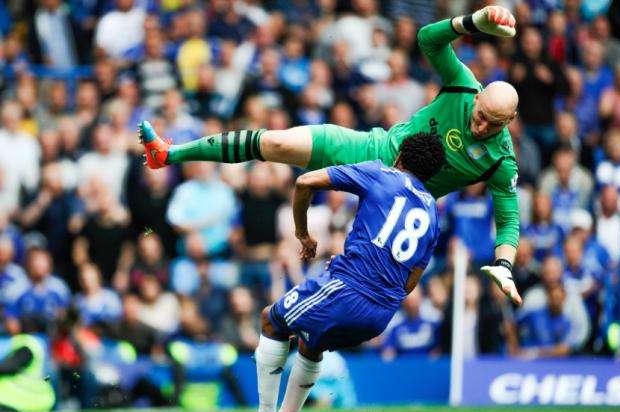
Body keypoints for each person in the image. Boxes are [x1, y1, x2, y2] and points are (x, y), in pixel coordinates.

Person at [139, 5, 523, 304]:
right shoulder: (463, 86)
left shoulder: (501, 161)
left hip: (399, 205)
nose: (479, 127)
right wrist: (472, 21)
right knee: (277, 142)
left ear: (510, 121)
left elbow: (508, 219)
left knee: (359, 291)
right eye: (479, 116)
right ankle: (169, 154)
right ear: (478, 98)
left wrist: (505, 265)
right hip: (372, 150)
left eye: (492, 124)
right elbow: (427, 39)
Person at [225, 132, 449, 412]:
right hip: (382, 313)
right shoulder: (431, 212)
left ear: (399, 156)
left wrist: (303, 235)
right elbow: (412, 279)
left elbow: (305, 182)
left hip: (348, 290)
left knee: (270, 321)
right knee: (311, 342)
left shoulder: (380, 173)